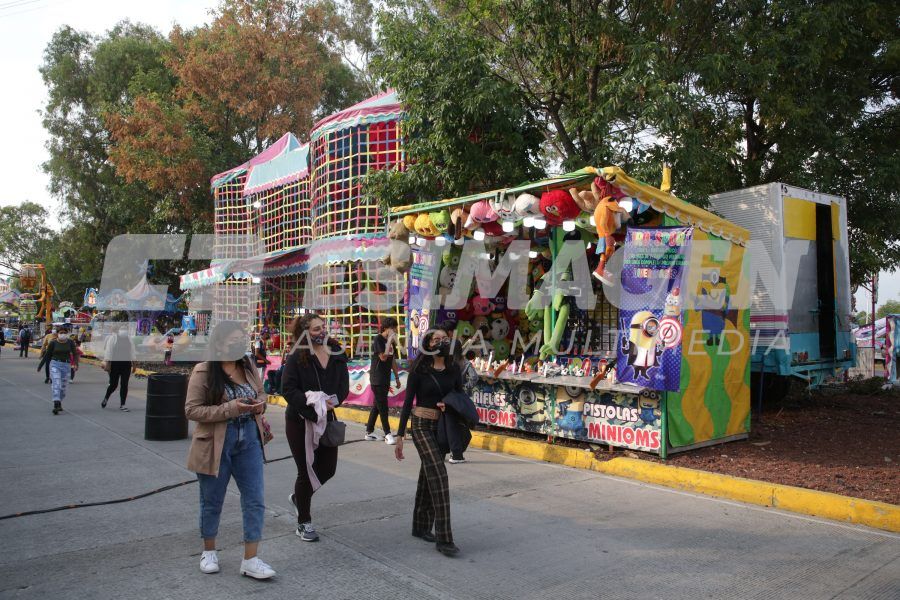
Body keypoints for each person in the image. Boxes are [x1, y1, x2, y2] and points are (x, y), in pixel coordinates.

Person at [184, 321, 275, 580]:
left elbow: (261, 393)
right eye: (232, 340)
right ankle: (209, 551)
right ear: (219, 344)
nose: (238, 345)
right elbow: (191, 410)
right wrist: (231, 408)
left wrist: (259, 405)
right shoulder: (204, 371)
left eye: (241, 340)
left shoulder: (247, 366)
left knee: (255, 499)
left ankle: (251, 559)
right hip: (215, 441)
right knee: (212, 500)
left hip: (249, 439)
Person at [281, 314, 349, 542]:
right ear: (305, 333)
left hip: (327, 418)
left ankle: (300, 498)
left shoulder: (337, 353)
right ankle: (304, 522)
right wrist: (312, 404)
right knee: (306, 470)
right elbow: (288, 390)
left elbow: (343, 387)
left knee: (328, 468)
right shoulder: (296, 357)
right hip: (300, 420)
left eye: (323, 327)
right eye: (316, 329)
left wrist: (332, 402)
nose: (322, 331)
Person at [394, 328, 462, 557]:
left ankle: (420, 526)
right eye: (436, 339)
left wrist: (449, 404)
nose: (441, 342)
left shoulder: (454, 369)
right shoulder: (419, 369)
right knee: (439, 474)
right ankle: (444, 539)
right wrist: (400, 436)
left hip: (441, 427)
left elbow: (460, 397)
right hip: (421, 425)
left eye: (445, 339)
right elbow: (406, 404)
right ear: (427, 344)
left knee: (428, 475)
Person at [365, 317, 401, 444]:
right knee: (383, 407)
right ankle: (387, 434)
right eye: (393, 328)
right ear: (386, 328)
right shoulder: (378, 339)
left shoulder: (390, 341)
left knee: (377, 405)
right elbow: (383, 357)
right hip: (377, 378)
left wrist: (397, 378)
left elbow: (392, 360)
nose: (395, 330)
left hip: (386, 378)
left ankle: (369, 432)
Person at [37, 325, 79, 415]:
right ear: (57, 334)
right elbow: (47, 355)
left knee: (63, 388)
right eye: (61, 333)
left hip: (66, 365)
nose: (63, 334)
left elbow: (75, 354)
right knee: (56, 383)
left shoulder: (70, 342)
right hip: (55, 364)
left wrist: (75, 364)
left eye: (64, 333)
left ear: (67, 334)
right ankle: (56, 403)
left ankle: (59, 401)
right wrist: (40, 366)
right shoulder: (53, 343)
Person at [102, 327, 136, 411]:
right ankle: (106, 397)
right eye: (123, 329)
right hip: (115, 364)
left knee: (124, 384)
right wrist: (108, 363)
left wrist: (134, 364)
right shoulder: (113, 338)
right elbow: (108, 351)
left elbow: (132, 351)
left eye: (125, 329)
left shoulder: (129, 339)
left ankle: (123, 404)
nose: (124, 331)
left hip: (126, 364)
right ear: (119, 331)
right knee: (113, 384)